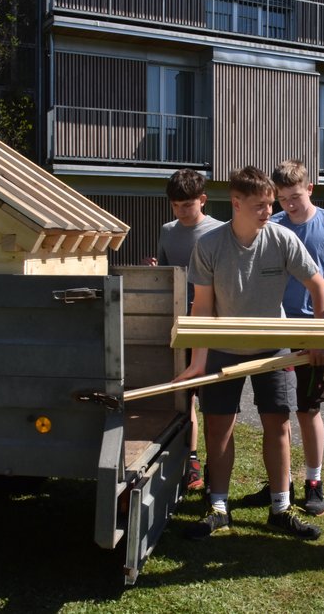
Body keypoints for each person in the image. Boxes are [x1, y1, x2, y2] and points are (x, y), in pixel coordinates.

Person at [174, 165, 324, 540]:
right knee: (218, 428)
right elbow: (202, 308)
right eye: (260, 205)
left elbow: (319, 286)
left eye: (270, 204)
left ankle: (280, 508)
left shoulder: (282, 239)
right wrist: (198, 361)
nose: (269, 211)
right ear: (236, 203)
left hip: (272, 348)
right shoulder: (209, 246)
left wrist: (322, 335)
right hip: (222, 347)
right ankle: (218, 507)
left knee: (278, 425)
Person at [268, 159, 324, 516]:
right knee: (276, 412)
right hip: (277, 330)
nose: (289, 205)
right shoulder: (272, 225)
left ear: (310, 189)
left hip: (317, 330)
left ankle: (314, 481)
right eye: (282, 199)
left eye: (295, 197)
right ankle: (281, 482)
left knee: (308, 410)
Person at [143, 169, 223, 492]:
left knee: (213, 402)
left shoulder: (219, 231)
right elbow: (167, 274)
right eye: (175, 205)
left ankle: (217, 468)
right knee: (183, 396)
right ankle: (190, 460)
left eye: (187, 205)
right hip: (179, 327)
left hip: (211, 327)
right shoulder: (167, 231)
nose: (180, 211)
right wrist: (154, 271)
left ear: (202, 200)